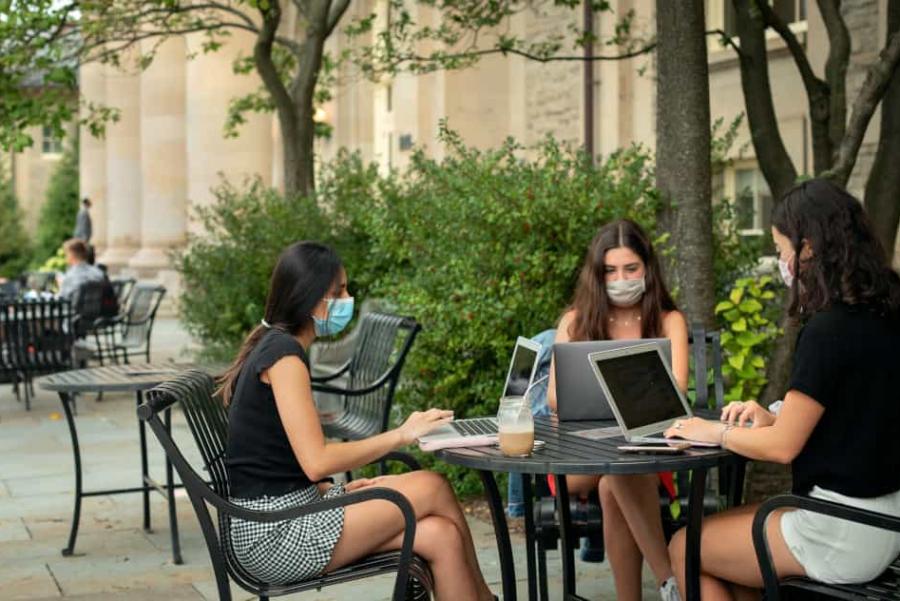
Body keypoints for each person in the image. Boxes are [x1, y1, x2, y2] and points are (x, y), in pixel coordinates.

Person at [665, 179, 900, 600]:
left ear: (807, 247)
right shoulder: (887, 311)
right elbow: (861, 412)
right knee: (731, 568)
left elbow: (782, 448)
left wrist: (713, 431)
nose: (781, 262)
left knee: (685, 546)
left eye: (780, 250)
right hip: (887, 521)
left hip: (839, 528)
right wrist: (776, 416)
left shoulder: (828, 329)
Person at [220, 241, 494, 601]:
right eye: (340, 291)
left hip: (287, 513)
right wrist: (402, 434)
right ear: (312, 298)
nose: (347, 298)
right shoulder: (284, 357)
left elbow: (270, 456)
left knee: (440, 536)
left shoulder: (276, 346)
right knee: (434, 486)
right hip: (272, 535)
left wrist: (332, 491)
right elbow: (316, 460)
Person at [546, 219, 689, 601]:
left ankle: (651, 591)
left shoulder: (668, 320)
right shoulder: (576, 321)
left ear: (648, 268)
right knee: (615, 469)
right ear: (597, 273)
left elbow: (676, 392)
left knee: (615, 480)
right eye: (610, 270)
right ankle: (672, 581)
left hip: (644, 451)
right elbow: (555, 399)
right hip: (580, 454)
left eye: (631, 268)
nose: (620, 278)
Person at [74, 198, 95, 264]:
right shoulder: (83, 213)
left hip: (81, 237)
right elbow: (83, 226)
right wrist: (84, 239)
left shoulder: (83, 212)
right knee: (83, 254)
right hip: (82, 237)